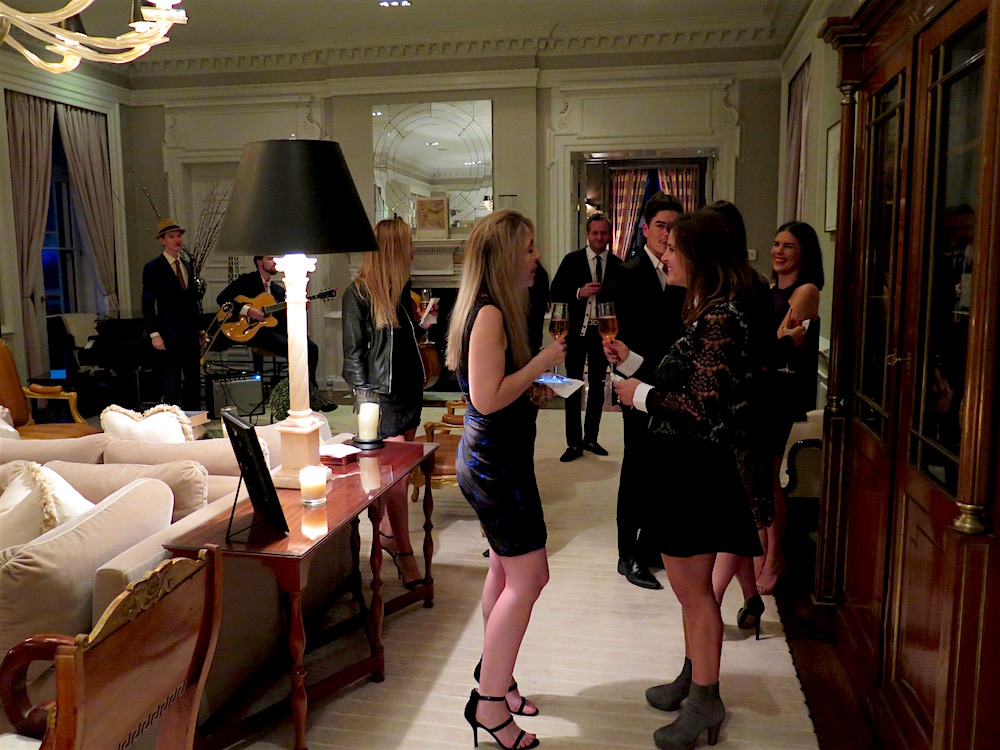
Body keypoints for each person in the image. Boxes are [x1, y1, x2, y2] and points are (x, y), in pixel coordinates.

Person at [613, 210, 765, 750]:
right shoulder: (707, 312)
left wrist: (638, 395)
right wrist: (632, 361)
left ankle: (705, 700)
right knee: (690, 593)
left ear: (699, 257)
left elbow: (702, 405)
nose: (665, 255)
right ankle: (694, 677)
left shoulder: (722, 318)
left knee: (695, 594)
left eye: (674, 248)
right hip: (685, 467)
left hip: (698, 471)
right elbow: (682, 376)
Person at [447, 210, 565, 750]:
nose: (536, 257)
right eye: (529, 247)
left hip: (498, 458)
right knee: (530, 576)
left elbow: (496, 387)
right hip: (495, 466)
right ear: (504, 257)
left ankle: (498, 677)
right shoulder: (490, 312)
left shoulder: (493, 308)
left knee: (504, 570)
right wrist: (541, 363)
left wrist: (534, 383)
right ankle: (489, 704)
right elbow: (487, 398)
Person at [342, 216, 429, 589]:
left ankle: (390, 535)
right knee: (395, 479)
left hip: (409, 391)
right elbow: (352, 357)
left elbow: (401, 345)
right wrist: (367, 402)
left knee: (400, 475)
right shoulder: (358, 293)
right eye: (409, 243)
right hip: (382, 397)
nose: (414, 250)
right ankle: (404, 552)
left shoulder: (403, 290)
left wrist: (421, 326)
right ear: (395, 248)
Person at [603, 192, 684, 590]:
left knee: (665, 469)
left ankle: (651, 545)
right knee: (636, 468)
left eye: (673, 227)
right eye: (661, 226)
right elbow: (622, 336)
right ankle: (627, 554)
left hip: (675, 387)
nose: (667, 234)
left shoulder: (684, 272)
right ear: (645, 229)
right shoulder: (629, 273)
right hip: (637, 382)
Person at [704, 200, 776, 635]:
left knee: (738, 512)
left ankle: (708, 608)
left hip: (743, 416)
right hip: (723, 415)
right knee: (737, 512)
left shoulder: (748, 287)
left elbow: (763, 353)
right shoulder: (720, 284)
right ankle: (750, 598)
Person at [758, 220, 824, 595]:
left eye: (788, 246)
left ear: (804, 254)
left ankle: (774, 555)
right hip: (764, 387)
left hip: (782, 392)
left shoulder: (806, 291)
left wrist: (766, 343)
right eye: (776, 243)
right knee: (756, 476)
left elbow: (779, 339)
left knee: (768, 477)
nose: (778, 251)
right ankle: (761, 547)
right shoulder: (771, 290)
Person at [216, 255, 335, 412]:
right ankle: (296, 394)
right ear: (259, 262)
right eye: (270, 258)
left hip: (271, 332)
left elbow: (282, 320)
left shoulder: (278, 290)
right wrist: (248, 310)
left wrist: (299, 307)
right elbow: (222, 298)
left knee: (310, 347)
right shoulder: (247, 280)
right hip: (251, 332)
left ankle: (310, 393)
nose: (275, 262)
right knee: (290, 347)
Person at [550, 213, 621, 462]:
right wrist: (579, 292)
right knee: (572, 386)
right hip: (576, 334)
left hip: (602, 335)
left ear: (609, 235)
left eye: (604, 233)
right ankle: (573, 443)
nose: (599, 237)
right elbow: (555, 291)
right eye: (595, 233)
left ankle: (591, 438)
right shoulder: (572, 260)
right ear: (587, 234)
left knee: (599, 387)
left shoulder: (617, 264)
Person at [141, 218, 205, 410]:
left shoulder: (186, 264)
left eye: (178, 236)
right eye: (171, 236)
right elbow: (147, 303)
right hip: (168, 332)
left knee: (193, 379)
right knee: (172, 380)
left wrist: (200, 329)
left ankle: (193, 418)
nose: (177, 240)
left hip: (189, 332)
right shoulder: (154, 267)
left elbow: (193, 301)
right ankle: (171, 417)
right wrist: (154, 333)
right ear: (162, 240)